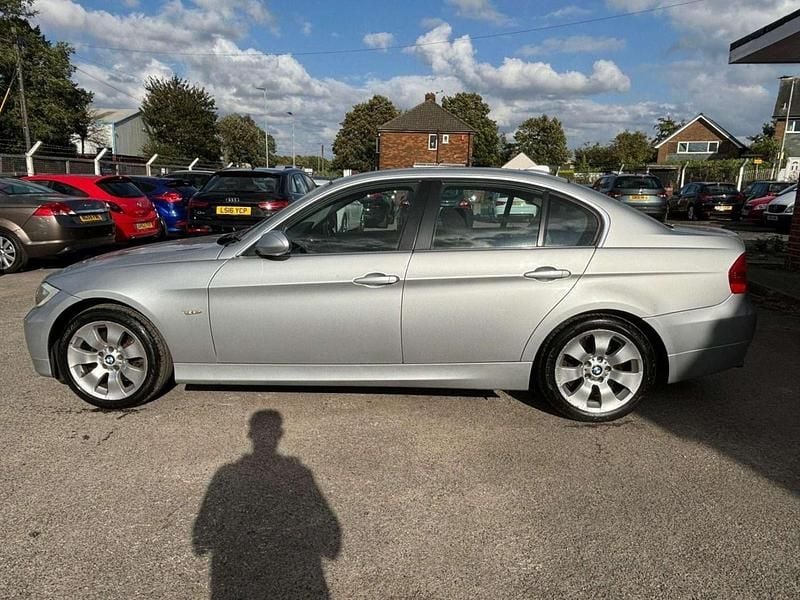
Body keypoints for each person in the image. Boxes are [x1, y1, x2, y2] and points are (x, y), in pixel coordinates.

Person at [193, 410, 341, 599]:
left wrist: (203, 540)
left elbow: (202, 534)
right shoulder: (299, 473)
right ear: (280, 434)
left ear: (250, 434)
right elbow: (325, 523)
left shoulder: (227, 473)